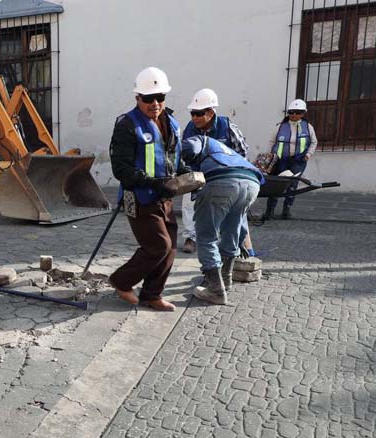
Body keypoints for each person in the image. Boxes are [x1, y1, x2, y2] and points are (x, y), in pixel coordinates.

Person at [108, 67, 190, 312]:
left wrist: (188, 175)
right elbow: (121, 169)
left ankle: (152, 294)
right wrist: (154, 182)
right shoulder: (127, 126)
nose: (155, 103)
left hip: (164, 196)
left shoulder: (171, 123)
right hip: (139, 196)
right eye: (148, 98)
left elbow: (173, 158)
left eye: (160, 97)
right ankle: (121, 281)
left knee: (171, 248)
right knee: (158, 246)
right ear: (137, 98)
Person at [181, 135, 264, 305]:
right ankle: (225, 282)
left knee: (206, 236)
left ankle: (216, 291)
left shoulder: (198, 139)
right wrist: (240, 242)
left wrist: (179, 165)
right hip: (251, 182)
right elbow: (240, 225)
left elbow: (189, 149)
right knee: (232, 230)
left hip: (222, 181)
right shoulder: (227, 150)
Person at [180, 89, 249, 254]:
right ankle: (190, 238)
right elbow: (182, 153)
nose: (195, 118)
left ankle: (234, 243)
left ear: (210, 113)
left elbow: (242, 153)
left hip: (224, 176)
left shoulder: (228, 127)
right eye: (192, 113)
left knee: (231, 210)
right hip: (198, 173)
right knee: (189, 203)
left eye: (199, 113)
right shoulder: (190, 129)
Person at [260, 99, 317, 221]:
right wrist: (270, 157)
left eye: (297, 112)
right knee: (275, 185)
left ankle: (287, 210)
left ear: (303, 113)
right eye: (291, 112)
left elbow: (314, 142)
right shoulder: (280, 126)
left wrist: (308, 155)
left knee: (292, 185)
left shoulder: (308, 127)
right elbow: (272, 142)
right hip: (281, 161)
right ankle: (269, 211)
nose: (294, 115)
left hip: (298, 161)